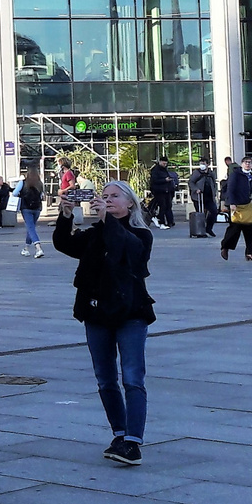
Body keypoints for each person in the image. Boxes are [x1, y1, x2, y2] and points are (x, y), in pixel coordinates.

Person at [52, 179, 156, 467]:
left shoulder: (141, 234)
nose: (108, 200)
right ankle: (119, 434)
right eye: (104, 196)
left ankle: (134, 442)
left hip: (130, 312)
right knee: (105, 379)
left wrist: (106, 220)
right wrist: (66, 215)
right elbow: (65, 245)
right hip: (96, 312)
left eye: (114, 197)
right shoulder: (97, 232)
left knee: (133, 378)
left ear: (130, 203)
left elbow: (128, 250)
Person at [219, 156, 252, 261]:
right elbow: (230, 189)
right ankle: (225, 247)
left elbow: (250, 190)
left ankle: (251, 252)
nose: (248, 164)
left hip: (247, 204)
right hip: (237, 205)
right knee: (234, 229)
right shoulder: (236, 174)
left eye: (250, 162)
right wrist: (231, 202)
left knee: (250, 228)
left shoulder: (251, 175)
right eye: (246, 162)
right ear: (241, 164)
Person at [18, 165, 46, 257]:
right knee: (31, 227)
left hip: (26, 208)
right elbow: (42, 195)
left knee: (30, 228)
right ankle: (26, 248)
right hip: (37, 208)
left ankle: (38, 248)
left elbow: (14, 193)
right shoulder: (40, 183)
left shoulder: (23, 183)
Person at [188, 164, 218, 237]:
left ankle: (208, 228)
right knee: (201, 214)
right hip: (198, 197)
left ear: (207, 164)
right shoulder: (196, 173)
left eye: (204, 163)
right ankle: (200, 231)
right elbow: (191, 182)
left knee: (214, 211)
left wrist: (214, 192)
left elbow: (214, 183)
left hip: (209, 197)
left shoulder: (211, 173)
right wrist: (196, 189)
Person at [147, 158, 176, 229]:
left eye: (166, 164)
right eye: (163, 163)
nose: (165, 165)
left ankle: (170, 221)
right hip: (159, 191)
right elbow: (154, 180)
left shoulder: (165, 170)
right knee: (163, 206)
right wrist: (164, 180)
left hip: (166, 190)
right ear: (160, 162)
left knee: (168, 206)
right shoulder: (155, 170)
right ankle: (161, 221)